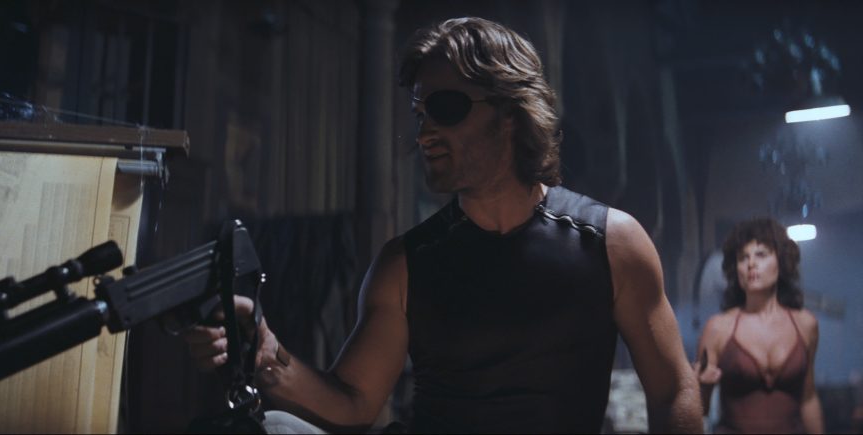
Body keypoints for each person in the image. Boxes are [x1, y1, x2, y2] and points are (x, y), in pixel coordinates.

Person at [183, 17, 701, 433]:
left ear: (510, 113)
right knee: (272, 426)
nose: (424, 132)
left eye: (445, 108)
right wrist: (267, 355)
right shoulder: (405, 265)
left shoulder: (611, 243)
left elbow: (673, 389)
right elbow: (355, 401)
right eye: (419, 114)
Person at [694, 218, 823, 434]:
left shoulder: (805, 324)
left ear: (780, 261)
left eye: (761, 254)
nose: (751, 263)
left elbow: (808, 398)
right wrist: (704, 387)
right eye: (743, 257)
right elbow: (700, 410)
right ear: (735, 268)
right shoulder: (718, 328)